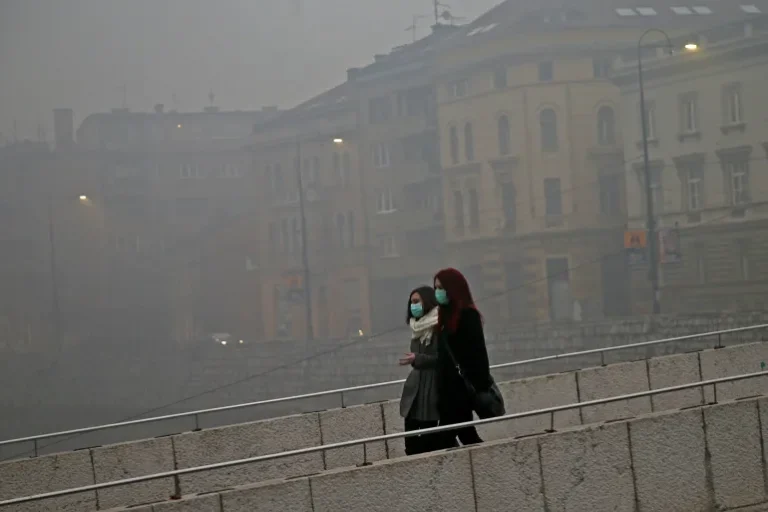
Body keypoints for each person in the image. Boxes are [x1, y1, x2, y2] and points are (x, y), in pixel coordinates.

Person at [434, 268, 490, 447]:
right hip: (446, 390)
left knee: (449, 437)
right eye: (436, 288)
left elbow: (478, 353)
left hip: (461, 389)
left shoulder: (468, 315)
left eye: (441, 288)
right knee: (466, 436)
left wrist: (480, 385)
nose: (437, 292)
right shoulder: (444, 317)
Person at [399, 286, 444, 455]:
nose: (413, 306)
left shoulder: (439, 326)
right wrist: (415, 359)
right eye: (411, 302)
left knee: (428, 441)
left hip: (431, 388)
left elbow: (442, 358)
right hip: (415, 390)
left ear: (427, 301)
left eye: (416, 301)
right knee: (410, 443)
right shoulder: (416, 328)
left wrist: (417, 358)